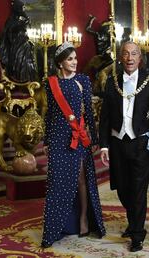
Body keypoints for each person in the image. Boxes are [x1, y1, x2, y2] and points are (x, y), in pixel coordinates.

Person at [99, 41, 149, 252]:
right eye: (126, 54)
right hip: (118, 142)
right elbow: (105, 117)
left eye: (134, 54)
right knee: (122, 188)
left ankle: (137, 233)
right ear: (121, 57)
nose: (129, 58)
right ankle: (134, 219)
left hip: (141, 143)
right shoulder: (112, 82)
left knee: (138, 189)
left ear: (140, 58)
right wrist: (104, 146)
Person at [41, 42, 106, 248]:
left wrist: (94, 139)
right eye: (70, 59)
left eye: (75, 58)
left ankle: (84, 218)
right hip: (59, 138)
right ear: (60, 62)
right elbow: (50, 114)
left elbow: (89, 112)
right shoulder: (50, 83)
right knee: (56, 182)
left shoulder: (82, 81)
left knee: (80, 180)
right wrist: (47, 140)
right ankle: (54, 228)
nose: (75, 62)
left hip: (77, 138)